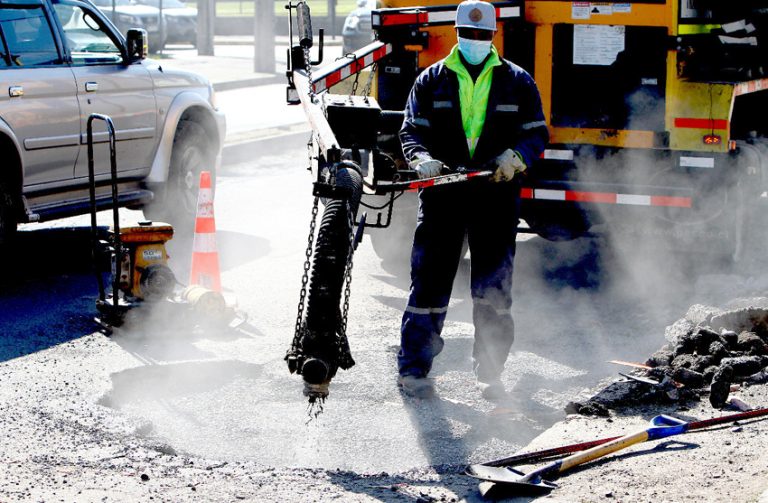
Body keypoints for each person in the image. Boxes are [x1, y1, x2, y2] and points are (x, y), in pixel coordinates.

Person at [397, 0, 549, 399]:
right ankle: (414, 369)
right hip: (443, 197)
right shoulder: (431, 80)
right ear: (457, 34)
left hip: (495, 198)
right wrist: (422, 158)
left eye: (483, 35)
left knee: (493, 288)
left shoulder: (518, 81)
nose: (476, 41)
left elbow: (536, 134)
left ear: (493, 35)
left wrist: (516, 157)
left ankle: (491, 372)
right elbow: (411, 130)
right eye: (470, 35)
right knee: (429, 286)